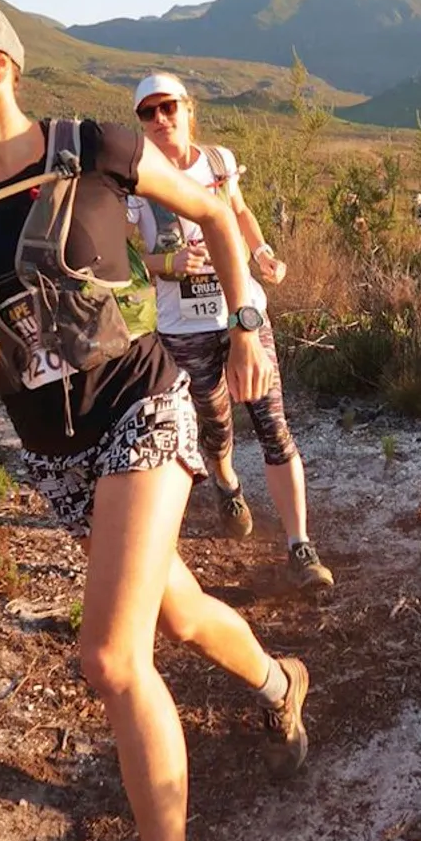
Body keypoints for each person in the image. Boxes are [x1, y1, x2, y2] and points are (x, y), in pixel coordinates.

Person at [0, 0, 310, 841]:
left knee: (109, 658)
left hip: (144, 403)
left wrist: (246, 323)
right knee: (175, 612)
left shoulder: (97, 148)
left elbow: (214, 214)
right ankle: (279, 679)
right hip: (55, 449)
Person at [128, 73, 333, 592]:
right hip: (183, 328)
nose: (159, 119)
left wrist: (260, 250)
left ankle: (300, 546)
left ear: (188, 109)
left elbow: (238, 212)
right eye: (147, 112)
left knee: (272, 424)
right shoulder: (134, 177)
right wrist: (168, 261)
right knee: (215, 427)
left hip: (242, 311)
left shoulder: (218, 162)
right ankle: (225, 481)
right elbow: (128, 256)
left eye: (168, 107)